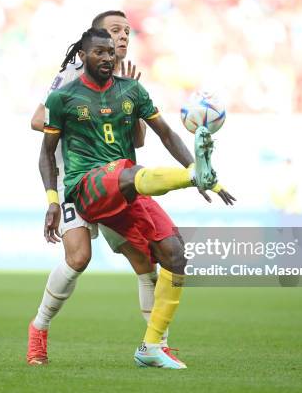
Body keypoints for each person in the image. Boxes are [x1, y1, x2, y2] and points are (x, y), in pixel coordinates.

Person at [39, 27, 235, 369]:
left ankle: (151, 347)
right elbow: (46, 153)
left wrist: (200, 171)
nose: (107, 57)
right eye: (99, 52)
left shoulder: (132, 90)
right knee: (127, 176)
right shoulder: (63, 98)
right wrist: (53, 200)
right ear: (82, 56)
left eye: (111, 51)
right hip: (86, 185)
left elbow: (166, 133)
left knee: (173, 253)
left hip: (128, 186)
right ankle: (192, 177)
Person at [28, 11, 180, 366]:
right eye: (115, 31)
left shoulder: (125, 84)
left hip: (116, 184)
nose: (122, 38)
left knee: (145, 260)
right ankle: (39, 329)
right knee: (79, 258)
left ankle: (158, 344)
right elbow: (38, 119)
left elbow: (138, 142)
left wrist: (131, 113)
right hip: (78, 182)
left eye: (126, 32)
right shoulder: (71, 77)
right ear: (90, 46)